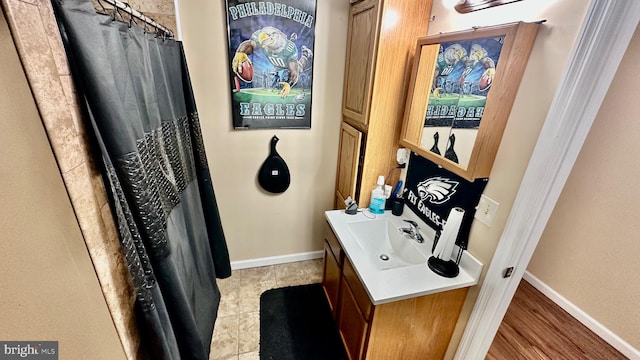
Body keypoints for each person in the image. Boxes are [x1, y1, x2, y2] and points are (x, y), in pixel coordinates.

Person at [232, 26, 312, 98]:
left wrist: (289, 84)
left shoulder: (288, 48)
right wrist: (241, 52)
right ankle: (293, 40)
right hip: (276, 66)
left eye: (270, 36)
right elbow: (250, 45)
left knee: (299, 67)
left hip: (286, 64)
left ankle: (305, 54)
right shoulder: (261, 37)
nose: (266, 39)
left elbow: (294, 72)